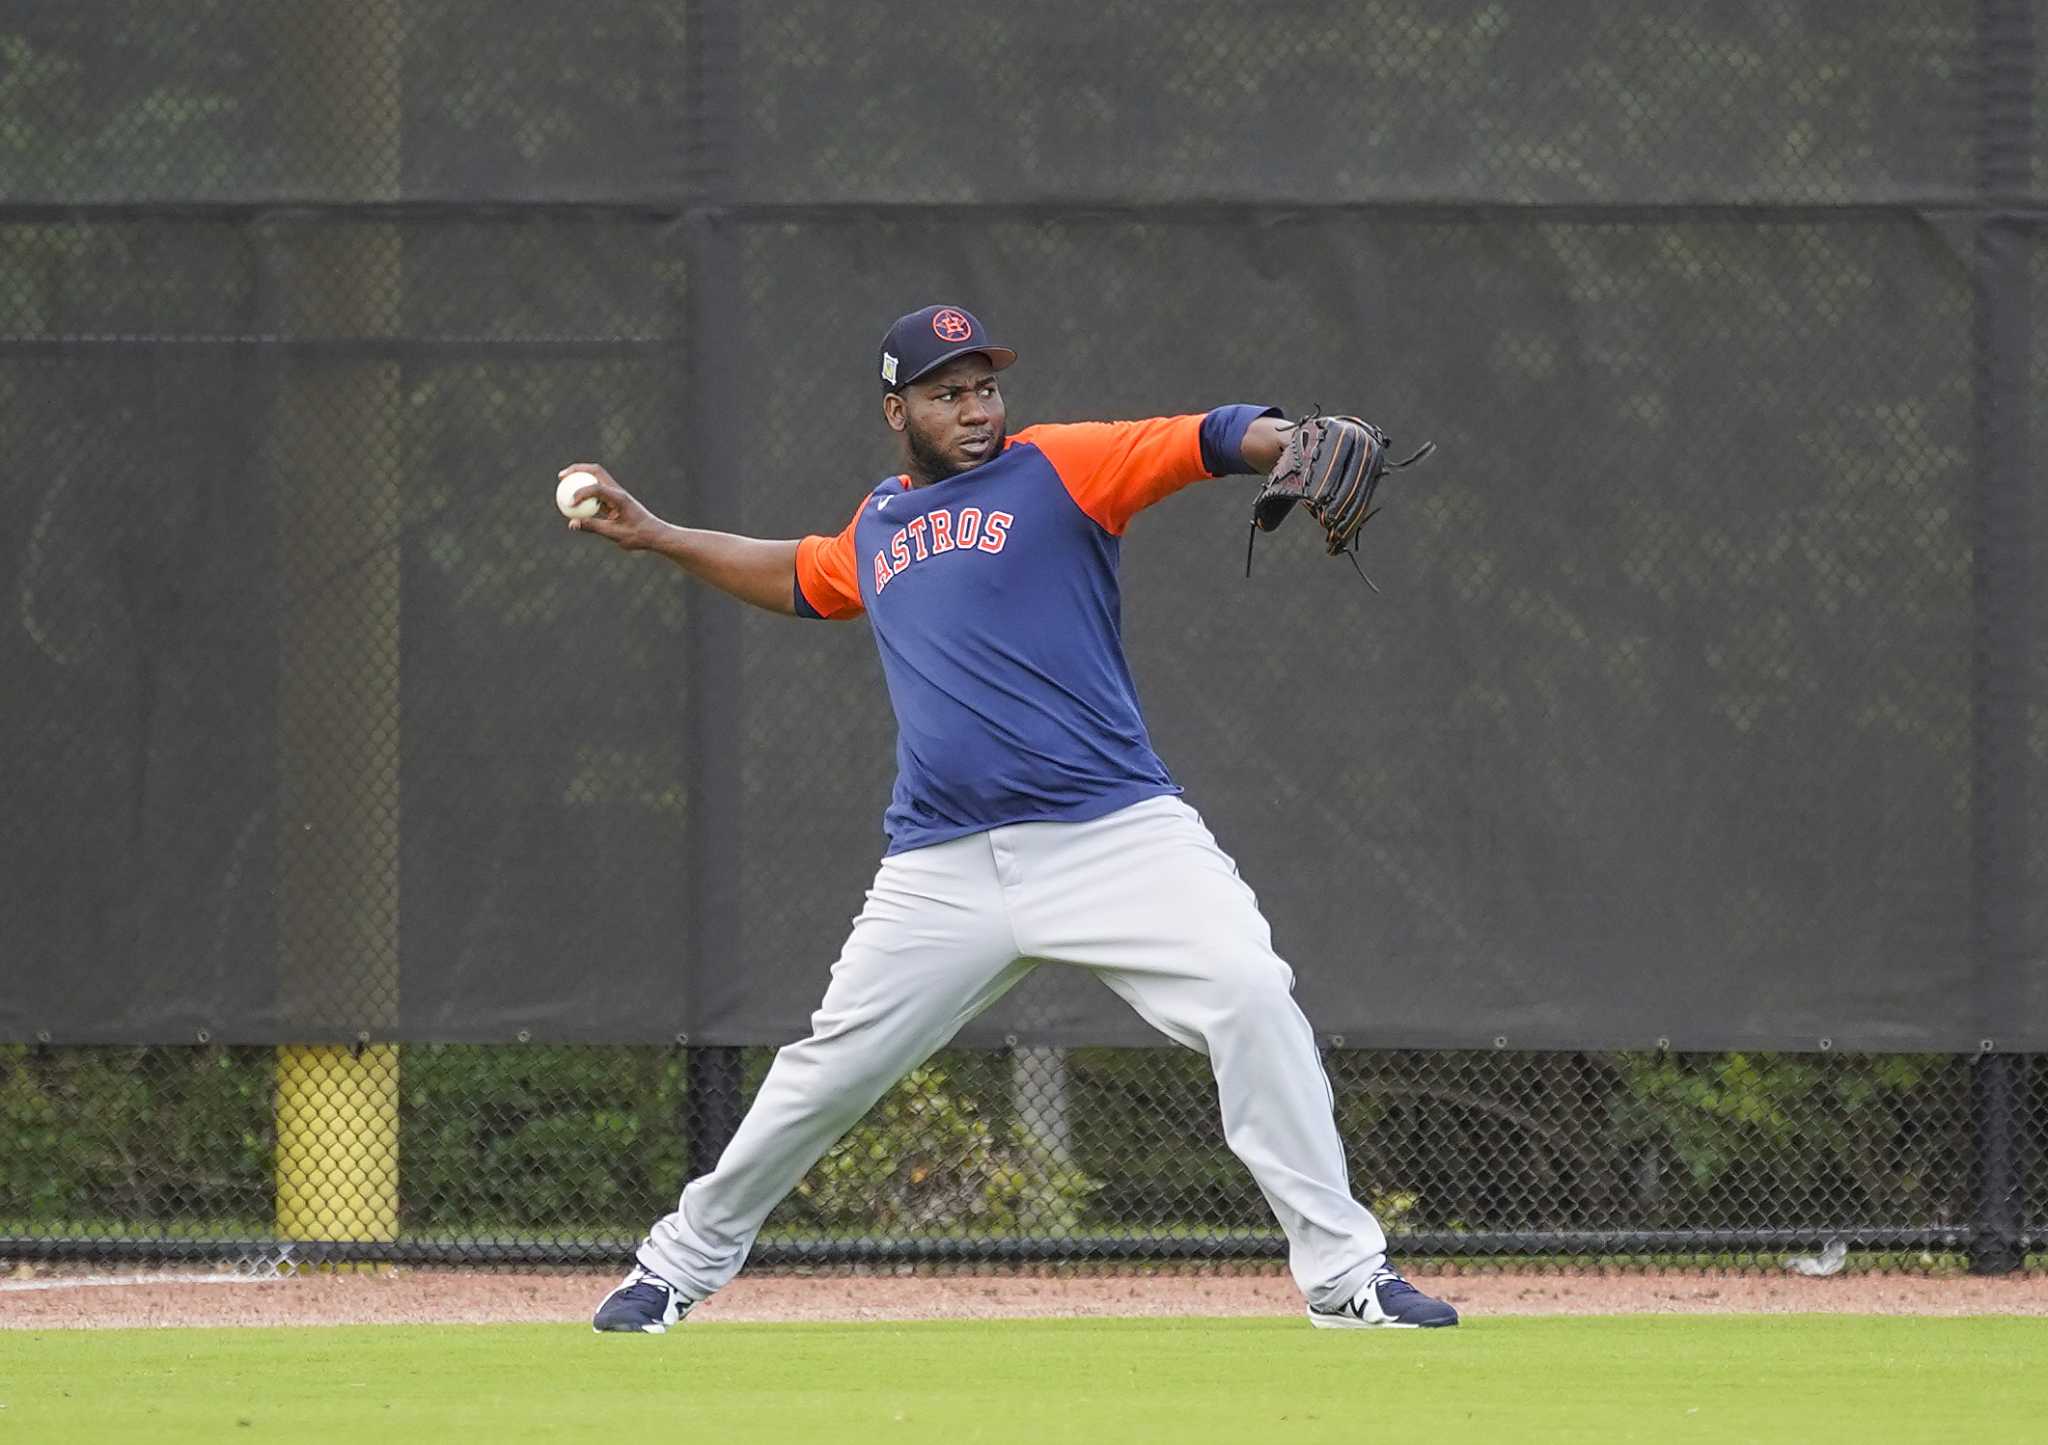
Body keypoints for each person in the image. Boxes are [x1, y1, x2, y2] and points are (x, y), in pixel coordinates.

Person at [563, 304, 1458, 1333]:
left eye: (984, 385)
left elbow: (1200, 438)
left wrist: (1286, 439)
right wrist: (656, 534)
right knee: (825, 1072)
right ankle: (674, 1266)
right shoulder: (880, 526)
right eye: (947, 392)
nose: (976, 407)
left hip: (1113, 835)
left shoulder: (1059, 466)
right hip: (940, 865)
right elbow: (799, 574)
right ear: (897, 410)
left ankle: (1346, 1275)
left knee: (1251, 992)